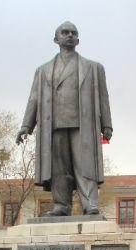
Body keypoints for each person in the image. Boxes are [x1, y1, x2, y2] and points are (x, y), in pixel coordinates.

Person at [16, 21, 112, 216]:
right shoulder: (43, 70)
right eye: (65, 32)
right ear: (56, 39)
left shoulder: (93, 68)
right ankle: (61, 205)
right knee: (58, 168)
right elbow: (34, 98)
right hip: (54, 124)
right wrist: (26, 125)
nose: (69, 35)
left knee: (85, 165)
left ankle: (90, 204)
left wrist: (107, 124)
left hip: (83, 123)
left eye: (73, 33)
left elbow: (103, 98)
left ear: (78, 39)